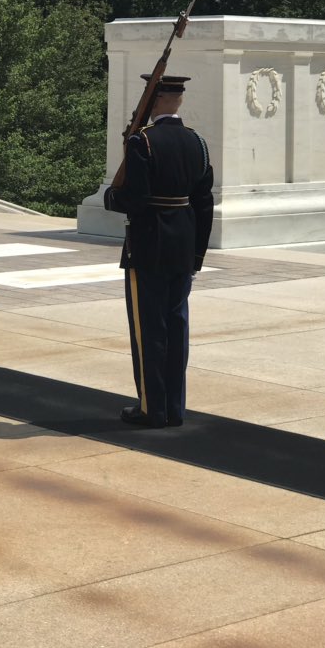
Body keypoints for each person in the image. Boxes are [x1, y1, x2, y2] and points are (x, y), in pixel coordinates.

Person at [104, 74, 214, 428]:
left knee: (149, 328)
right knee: (177, 327)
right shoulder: (197, 142)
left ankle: (152, 408)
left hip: (149, 245)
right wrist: (197, 255)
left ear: (155, 100)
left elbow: (135, 199)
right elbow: (204, 204)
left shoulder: (143, 141)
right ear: (178, 100)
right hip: (183, 247)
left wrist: (111, 197)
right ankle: (174, 408)